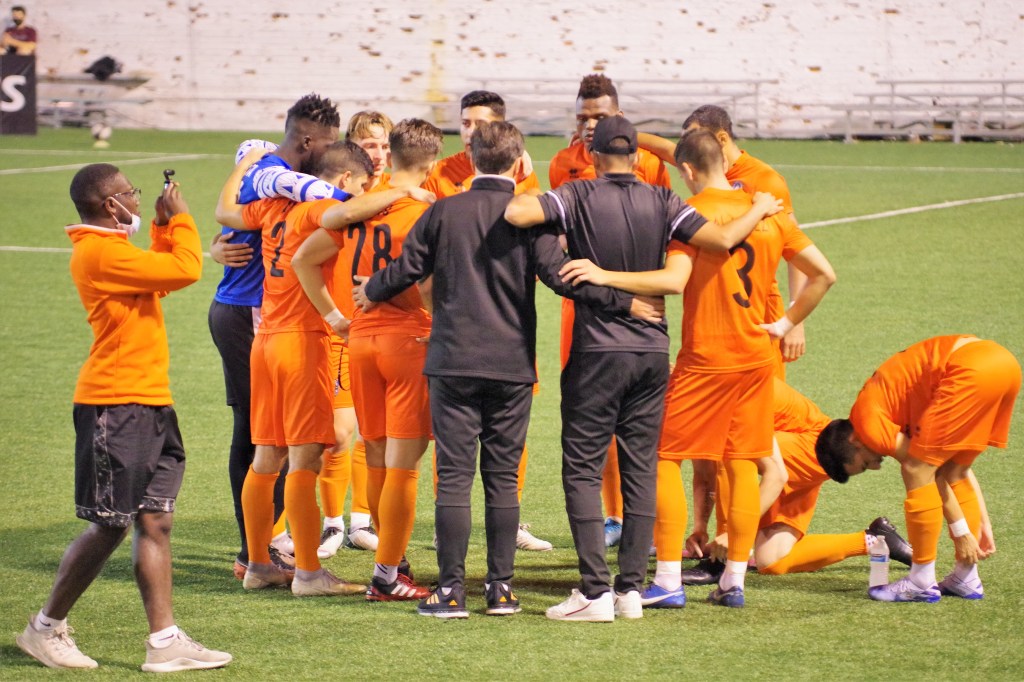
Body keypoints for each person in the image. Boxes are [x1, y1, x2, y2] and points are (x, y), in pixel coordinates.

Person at [353, 120, 652, 618]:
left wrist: (372, 289)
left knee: (454, 476)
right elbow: (561, 278)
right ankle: (501, 589)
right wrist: (624, 301)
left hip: (452, 362)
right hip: (512, 366)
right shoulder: (528, 215)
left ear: (470, 159)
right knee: (501, 477)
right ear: (517, 163)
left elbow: (408, 269)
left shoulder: (444, 209)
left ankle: (451, 590)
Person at [505, 117, 781, 621]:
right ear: (637, 158)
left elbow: (518, 211)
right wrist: (760, 207)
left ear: (593, 156)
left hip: (597, 351)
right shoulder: (665, 201)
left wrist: (547, 213)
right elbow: (721, 240)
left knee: (583, 469)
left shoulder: (577, 194)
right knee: (640, 468)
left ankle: (595, 592)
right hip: (653, 353)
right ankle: (631, 589)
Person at [564, 129, 835, 609]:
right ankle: (733, 580)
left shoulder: (689, 215)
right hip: (758, 358)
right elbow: (823, 274)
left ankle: (668, 579)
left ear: (686, 169)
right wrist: (785, 323)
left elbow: (674, 281)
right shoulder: (770, 212)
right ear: (725, 162)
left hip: (706, 358)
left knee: (663, 457)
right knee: (742, 462)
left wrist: (603, 275)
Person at [16, 164, 231, 672]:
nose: (136, 198)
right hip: (115, 403)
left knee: (155, 519)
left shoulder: (114, 251)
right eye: (129, 193)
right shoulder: (99, 252)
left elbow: (159, 277)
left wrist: (160, 227)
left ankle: (165, 642)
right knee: (109, 525)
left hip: (147, 400)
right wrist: (181, 219)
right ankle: (44, 628)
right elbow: (185, 270)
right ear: (110, 204)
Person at [216, 141, 411, 596]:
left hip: (266, 341)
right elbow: (346, 213)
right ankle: (308, 573)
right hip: (304, 343)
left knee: (266, 458)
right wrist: (406, 192)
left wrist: (243, 167)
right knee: (304, 460)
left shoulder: (270, 207)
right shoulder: (318, 209)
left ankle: (258, 563)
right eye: (360, 185)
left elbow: (226, 213)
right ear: (344, 181)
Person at [293, 119, 443, 602]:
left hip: (360, 341)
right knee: (404, 465)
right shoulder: (423, 212)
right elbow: (426, 282)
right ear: (433, 164)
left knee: (376, 455)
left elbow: (303, 259)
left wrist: (335, 318)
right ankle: (387, 575)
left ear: (389, 156)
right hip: (408, 342)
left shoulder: (362, 207)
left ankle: (393, 560)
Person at [207, 94, 351, 580]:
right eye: (328, 143)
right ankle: (258, 550)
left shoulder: (270, 179)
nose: (333, 152)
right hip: (257, 314)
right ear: (307, 141)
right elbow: (333, 205)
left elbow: (229, 214)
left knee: (270, 438)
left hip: (259, 315)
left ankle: (263, 548)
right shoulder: (277, 177)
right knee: (266, 437)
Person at [421, 90, 551, 553]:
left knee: (511, 438)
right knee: (448, 440)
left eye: (479, 124)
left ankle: (509, 520)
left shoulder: (523, 174)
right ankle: (446, 523)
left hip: (505, 323)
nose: (470, 131)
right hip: (455, 321)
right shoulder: (440, 173)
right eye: (464, 123)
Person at [549, 74, 674, 548]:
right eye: (582, 116)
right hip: (585, 310)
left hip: (643, 307)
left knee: (638, 426)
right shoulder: (563, 164)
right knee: (593, 422)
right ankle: (613, 515)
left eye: (598, 117)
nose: (588, 124)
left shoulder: (649, 164)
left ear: (617, 117)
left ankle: (641, 524)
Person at [815, 335, 1019, 602]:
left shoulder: (866, 424)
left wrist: (962, 533)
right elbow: (953, 473)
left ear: (854, 440)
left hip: (970, 369)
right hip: (1003, 365)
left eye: (865, 464)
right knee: (953, 470)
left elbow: (923, 470)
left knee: (914, 469)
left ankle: (921, 579)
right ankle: (966, 576)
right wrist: (982, 520)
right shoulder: (884, 406)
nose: (876, 467)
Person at [696, 379, 914, 575]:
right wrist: (700, 528)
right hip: (811, 450)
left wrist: (730, 534)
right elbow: (705, 471)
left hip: (809, 449)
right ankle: (875, 539)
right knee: (772, 560)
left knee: (737, 455)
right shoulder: (700, 404)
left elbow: (764, 472)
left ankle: (721, 562)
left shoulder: (715, 394)